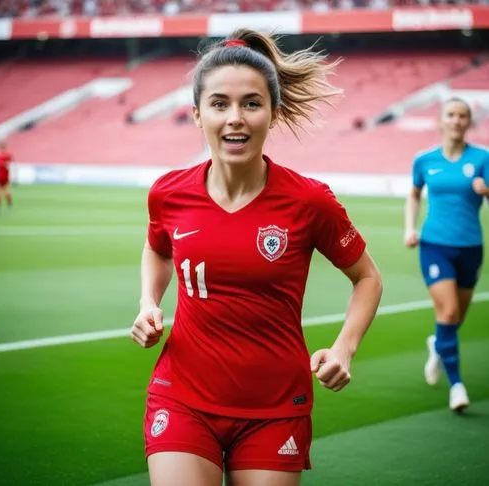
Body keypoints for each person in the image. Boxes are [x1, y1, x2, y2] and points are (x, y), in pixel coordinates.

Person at [131, 28, 383, 486]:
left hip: (275, 408)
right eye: (219, 104)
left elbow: (367, 278)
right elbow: (156, 249)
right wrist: (149, 303)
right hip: (181, 396)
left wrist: (345, 349)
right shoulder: (167, 194)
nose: (235, 118)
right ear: (196, 114)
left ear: (274, 112)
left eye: (251, 103)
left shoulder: (310, 202)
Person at [404, 97, 489, 413]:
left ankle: (437, 344)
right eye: (450, 115)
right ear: (441, 121)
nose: (456, 120)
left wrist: (487, 191)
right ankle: (456, 385)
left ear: (469, 122)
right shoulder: (424, 160)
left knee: (455, 319)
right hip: (435, 244)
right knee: (450, 312)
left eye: (462, 116)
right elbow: (413, 194)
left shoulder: (483, 159)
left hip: (470, 247)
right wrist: (409, 228)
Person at [0, 140, 13, 214]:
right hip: (5, 177)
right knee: (7, 192)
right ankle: (9, 205)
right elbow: (8, 166)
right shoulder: (8, 155)